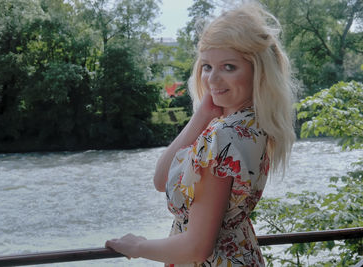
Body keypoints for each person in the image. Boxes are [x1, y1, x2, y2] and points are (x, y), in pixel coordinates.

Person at [105, 2, 296, 266]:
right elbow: (162, 180)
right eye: (207, 66)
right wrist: (202, 116)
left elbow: (196, 247)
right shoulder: (252, 125)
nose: (213, 80)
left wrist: (137, 246)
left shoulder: (224, 136)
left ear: (258, 71)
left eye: (229, 67)